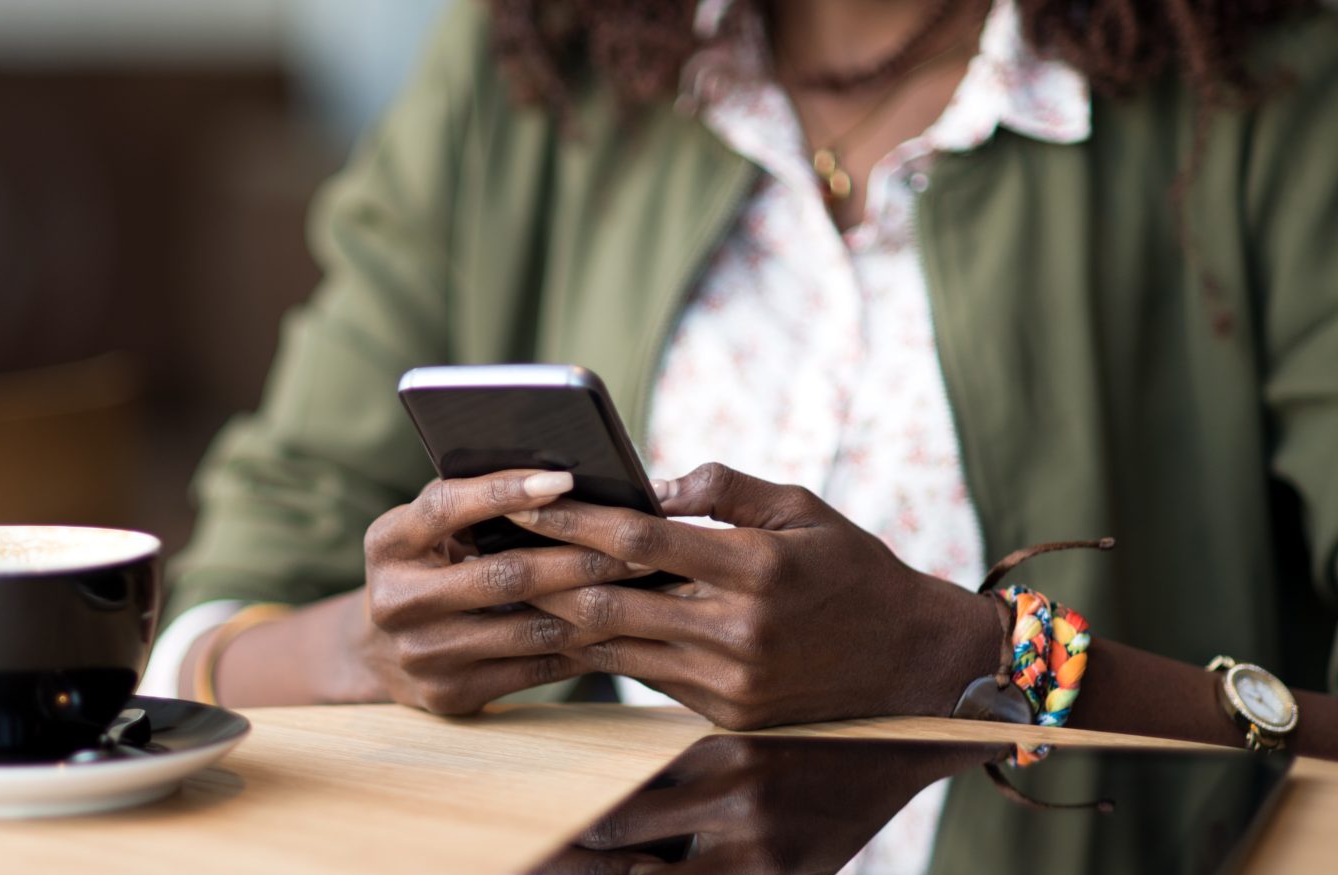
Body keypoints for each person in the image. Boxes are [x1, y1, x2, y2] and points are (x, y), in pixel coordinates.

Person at [136, 0, 1338, 759]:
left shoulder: (1275, 100)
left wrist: (962, 660)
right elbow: (211, 635)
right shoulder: (536, 63)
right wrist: (371, 650)